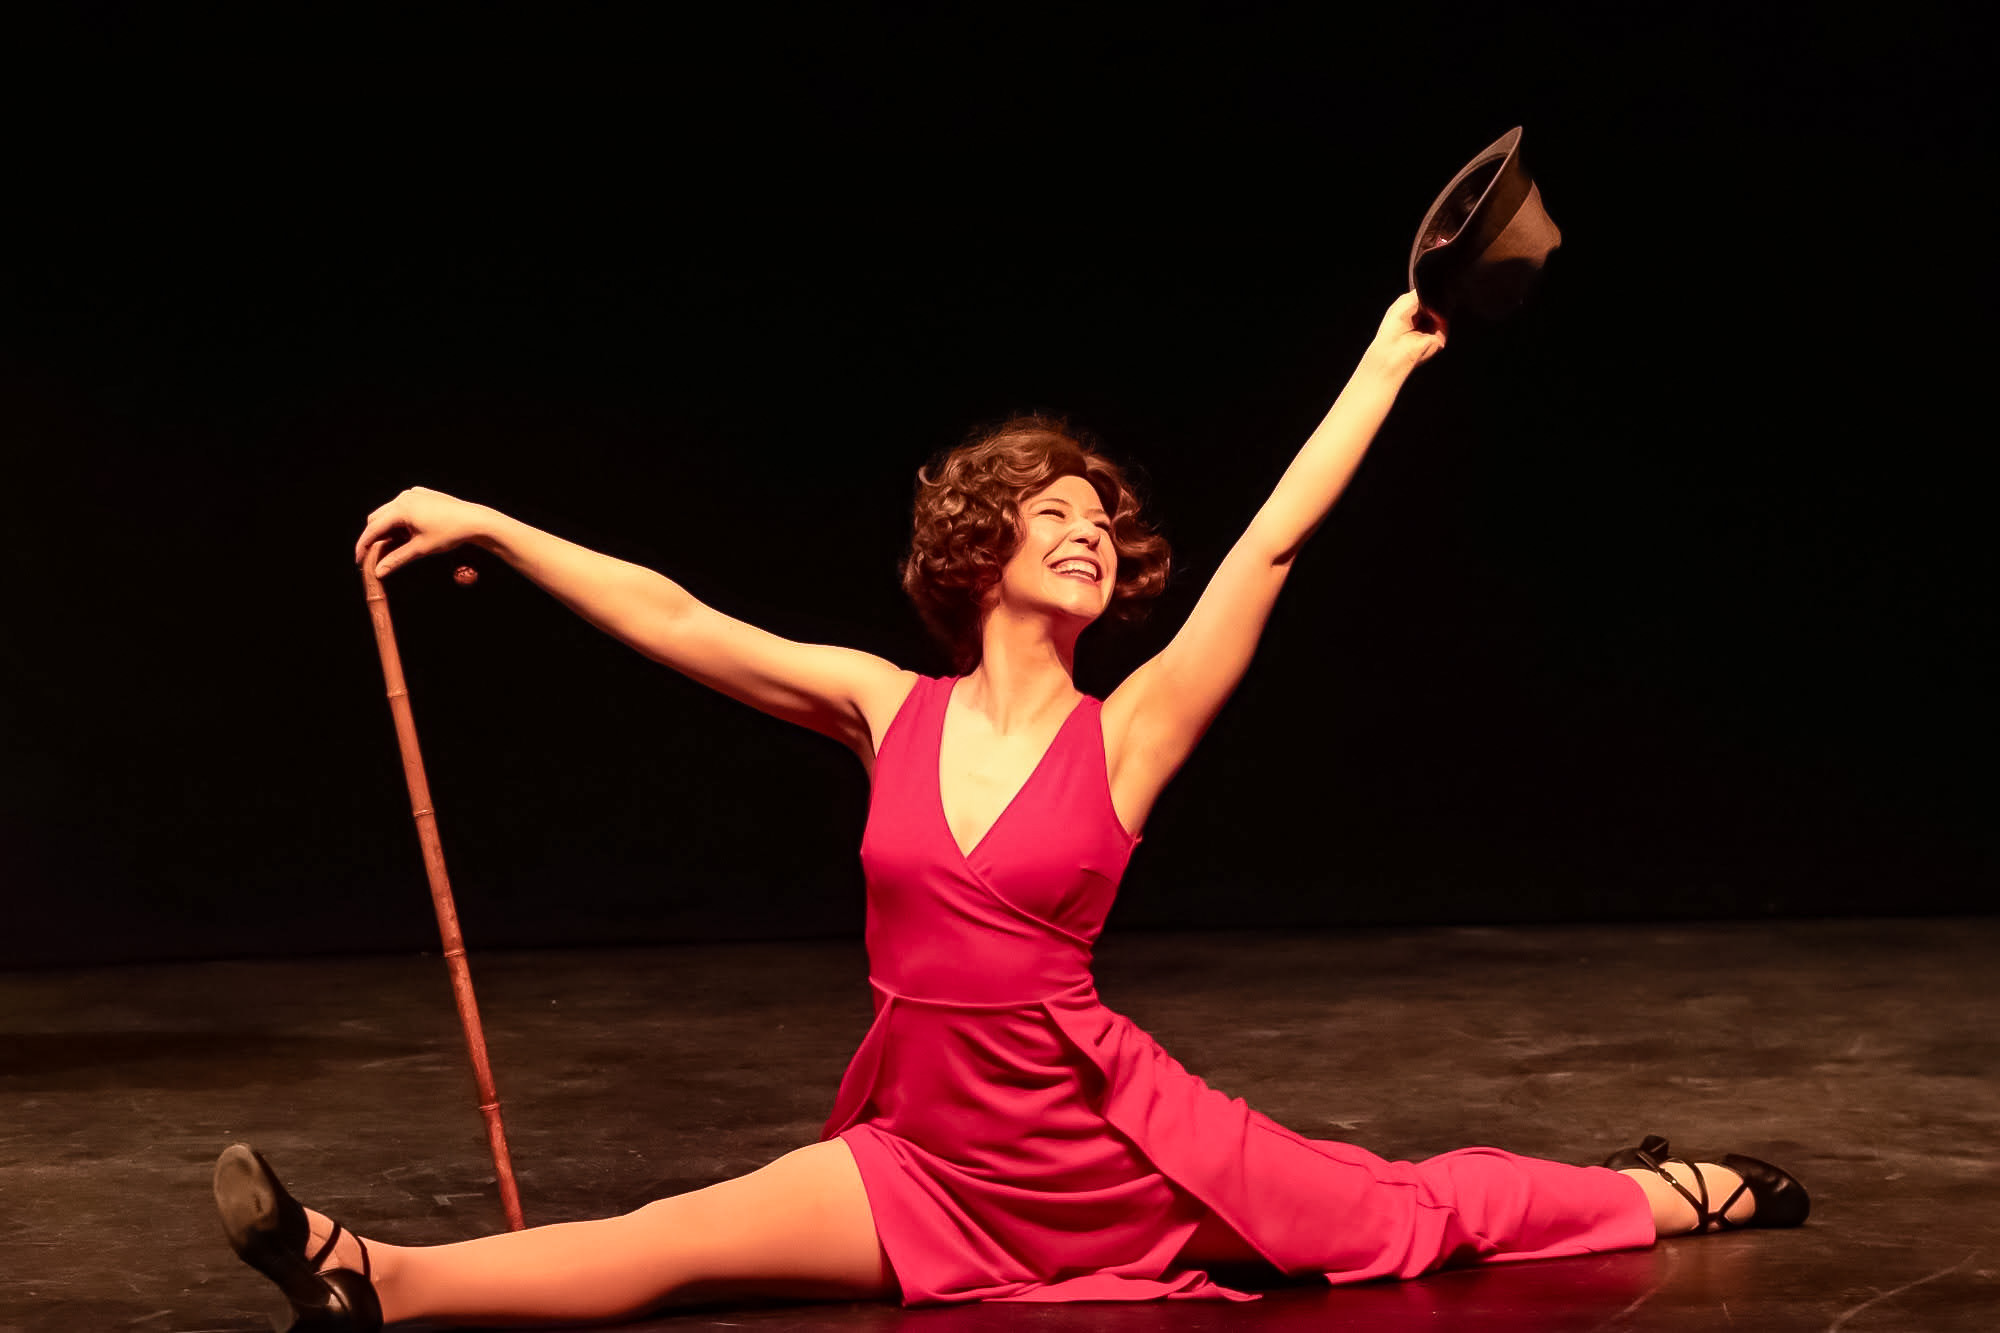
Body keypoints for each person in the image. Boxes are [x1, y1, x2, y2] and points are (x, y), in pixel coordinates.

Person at [216, 291, 1807, 1330]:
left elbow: (1268, 545)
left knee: (1405, 1209)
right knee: (674, 1236)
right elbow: (680, 615)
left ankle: (1655, 1190)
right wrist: (490, 517)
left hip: (1110, 1148)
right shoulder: (881, 705)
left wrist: (1387, 361)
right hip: (929, 1149)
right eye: (1055, 512)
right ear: (982, 549)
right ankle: (369, 1272)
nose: (1090, 532)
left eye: (1104, 522)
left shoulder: (1131, 734)